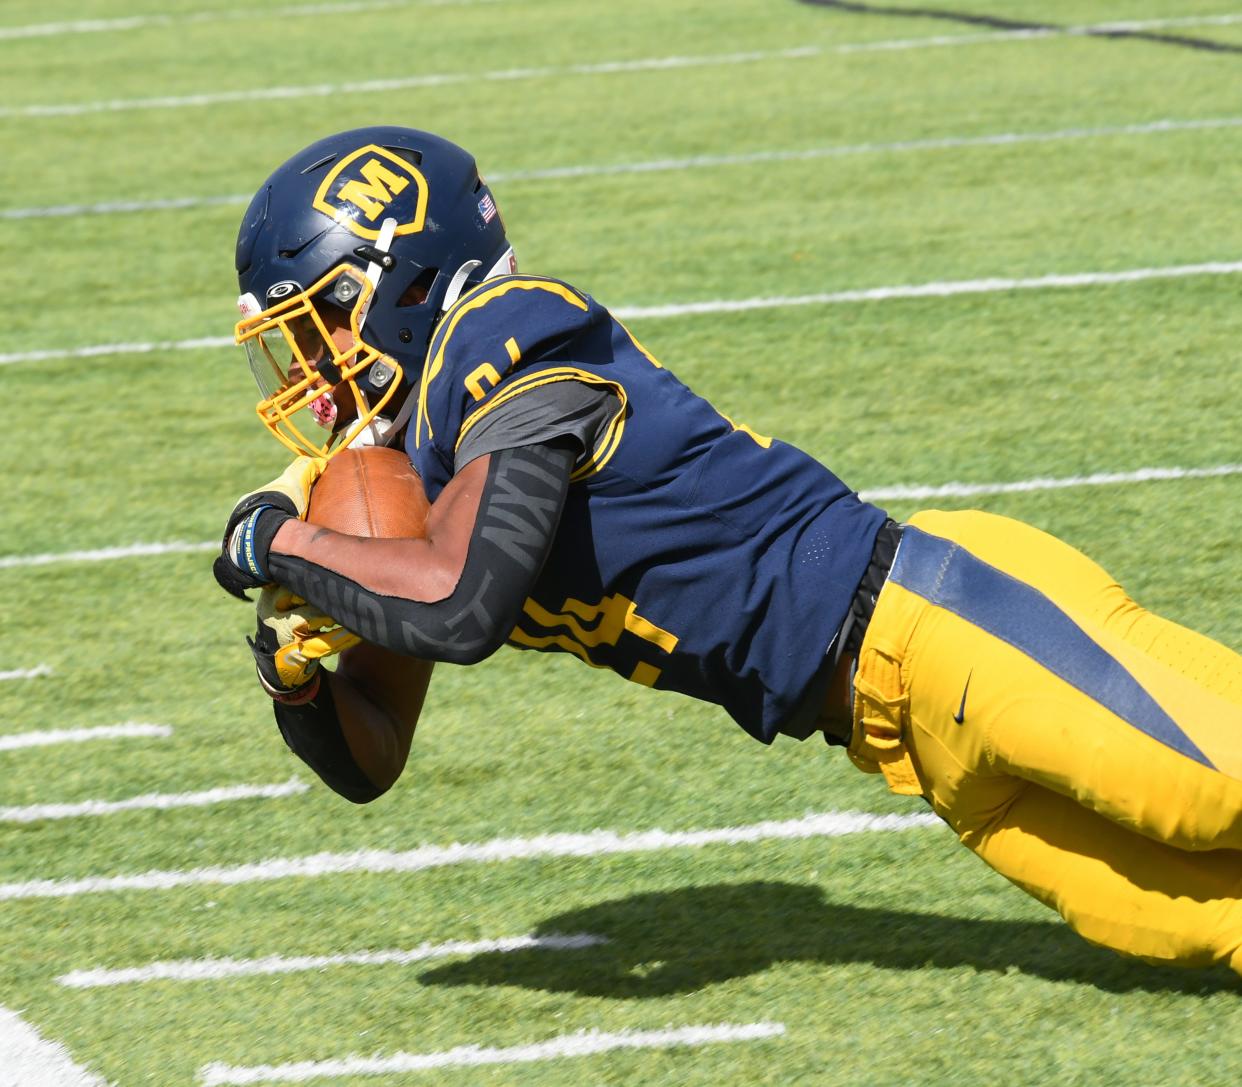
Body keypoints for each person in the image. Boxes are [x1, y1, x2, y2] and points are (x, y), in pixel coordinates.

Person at [214, 125, 1242, 977]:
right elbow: (373, 749)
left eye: (325, 323)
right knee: (1191, 918)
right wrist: (296, 676)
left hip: (946, 624)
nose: (313, 367)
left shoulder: (508, 332)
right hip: (895, 735)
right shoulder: (431, 470)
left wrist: (284, 539)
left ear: (406, 276)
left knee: (1212, 788)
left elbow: (458, 606)